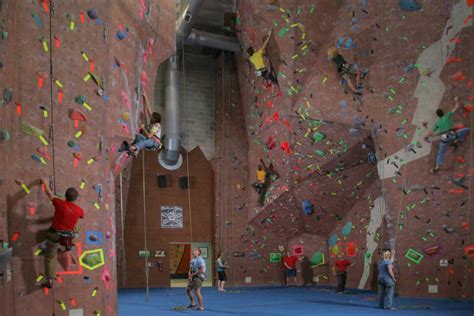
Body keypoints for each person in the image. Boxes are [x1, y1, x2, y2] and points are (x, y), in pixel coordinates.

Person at [40, 178, 84, 288]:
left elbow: (49, 193)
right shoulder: (79, 210)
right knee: (75, 224)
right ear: (76, 198)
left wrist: (44, 182)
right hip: (67, 237)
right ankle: (67, 249)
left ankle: (49, 279)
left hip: (54, 234)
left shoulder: (59, 203)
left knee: (50, 256)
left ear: (65, 196)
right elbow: (82, 216)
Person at [425, 96, 470, 174]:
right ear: (443, 112)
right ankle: (458, 140)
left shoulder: (438, 123)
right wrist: (456, 100)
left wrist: (426, 136)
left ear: (438, 116)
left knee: (441, 152)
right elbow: (456, 106)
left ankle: (436, 168)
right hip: (451, 134)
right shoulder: (448, 115)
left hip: (444, 137)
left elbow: (431, 133)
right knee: (466, 130)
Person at [119, 89, 162, 157]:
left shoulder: (156, 126)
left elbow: (149, 136)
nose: (150, 118)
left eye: (152, 118)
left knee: (144, 142)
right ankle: (132, 152)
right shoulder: (154, 121)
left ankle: (132, 148)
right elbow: (148, 108)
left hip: (154, 143)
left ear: (155, 119)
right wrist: (145, 96)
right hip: (150, 141)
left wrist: (143, 128)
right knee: (138, 137)